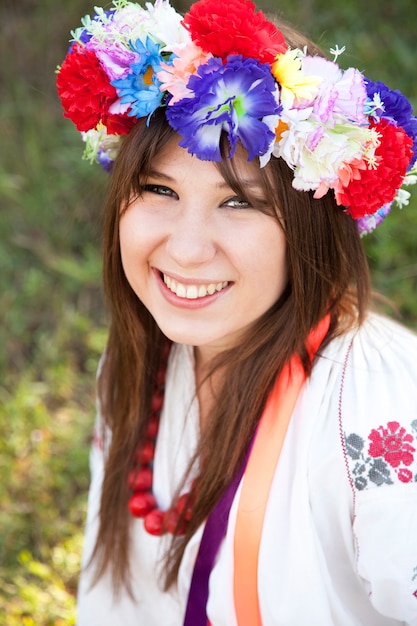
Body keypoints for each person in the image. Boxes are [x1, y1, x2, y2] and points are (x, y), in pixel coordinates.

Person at [56, 0, 417, 623]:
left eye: (239, 204)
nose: (188, 249)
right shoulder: (142, 353)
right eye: (159, 190)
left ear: (307, 231)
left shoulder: (372, 403)